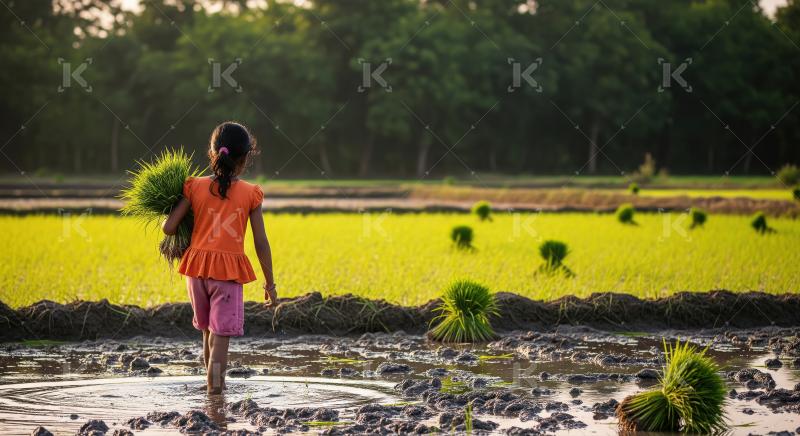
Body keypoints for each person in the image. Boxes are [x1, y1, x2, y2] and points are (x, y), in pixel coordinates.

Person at [162, 121, 277, 394]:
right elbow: (260, 243)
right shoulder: (251, 193)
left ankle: (209, 388)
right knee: (221, 338)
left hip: (196, 270)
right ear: (246, 157)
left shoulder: (194, 186)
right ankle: (215, 397)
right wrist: (270, 284)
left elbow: (168, 227)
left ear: (213, 154)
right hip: (227, 275)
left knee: (207, 333)